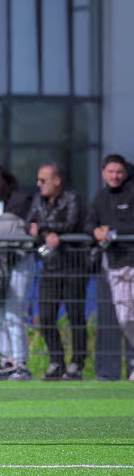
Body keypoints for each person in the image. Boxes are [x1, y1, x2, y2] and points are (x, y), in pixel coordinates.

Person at [27, 162, 86, 380]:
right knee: (46, 317)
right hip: (50, 266)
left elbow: (71, 224)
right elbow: (29, 223)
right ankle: (56, 362)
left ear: (57, 181)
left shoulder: (72, 198)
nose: (38, 184)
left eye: (43, 180)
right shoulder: (38, 200)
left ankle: (77, 364)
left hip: (73, 266)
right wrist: (42, 230)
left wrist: (42, 228)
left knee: (75, 316)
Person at [0, 165, 35, 381]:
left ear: (6, 181)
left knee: (13, 311)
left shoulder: (21, 201)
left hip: (19, 260)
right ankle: (6, 360)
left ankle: (20, 362)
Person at [86, 155, 134, 382]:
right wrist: (96, 231)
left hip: (133, 261)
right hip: (115, 265)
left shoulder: (132, 192)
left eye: (119, 172)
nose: (115, 176)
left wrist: (111, 230)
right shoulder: (100, 197)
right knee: (125, 319)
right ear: (103, 172)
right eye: (111, 172)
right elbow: (89, 222)